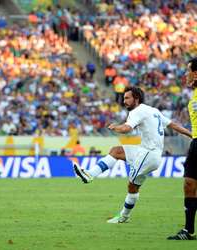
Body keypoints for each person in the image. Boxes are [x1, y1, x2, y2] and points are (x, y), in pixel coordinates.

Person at [73, 86, 192, 224]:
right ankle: (90, 175)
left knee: (132, 186)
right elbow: (174, 125)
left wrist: (115, 127)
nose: (124, 101)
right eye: (124, 98)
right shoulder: (153, 111)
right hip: (145, 151)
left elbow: (127, 129)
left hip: (149, 154)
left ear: (137, 98)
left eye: (127, 98)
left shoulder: (137, 111)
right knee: (116, 151)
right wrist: (191, 134)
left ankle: (123, 216)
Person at [167, 58, 197, 240]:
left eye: (188, 71)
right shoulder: (194, 95)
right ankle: (188, 230)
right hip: (196, 143)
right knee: (189, 184)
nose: (185, 75)